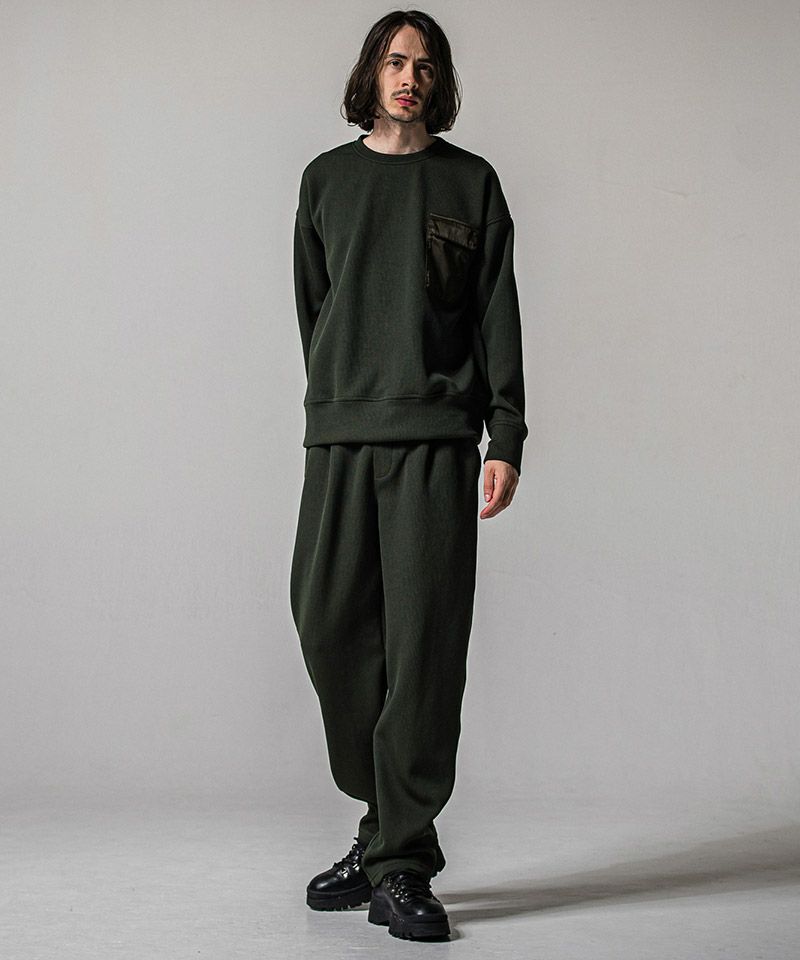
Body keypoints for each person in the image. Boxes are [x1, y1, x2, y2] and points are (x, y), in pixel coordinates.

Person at [289, 9, 527, 942]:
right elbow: (314, 308)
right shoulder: (325, 180)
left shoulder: (471, 183)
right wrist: (337, 396)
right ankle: (384, 821)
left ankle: (400, 866)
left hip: (435, 439)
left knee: (424, 649)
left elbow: (496, 311)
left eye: (425, 65)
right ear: (370, 73)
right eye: (394, 61)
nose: (408, 77)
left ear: (440, 81)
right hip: (344, 434)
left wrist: (504, 434)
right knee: (329, 626)